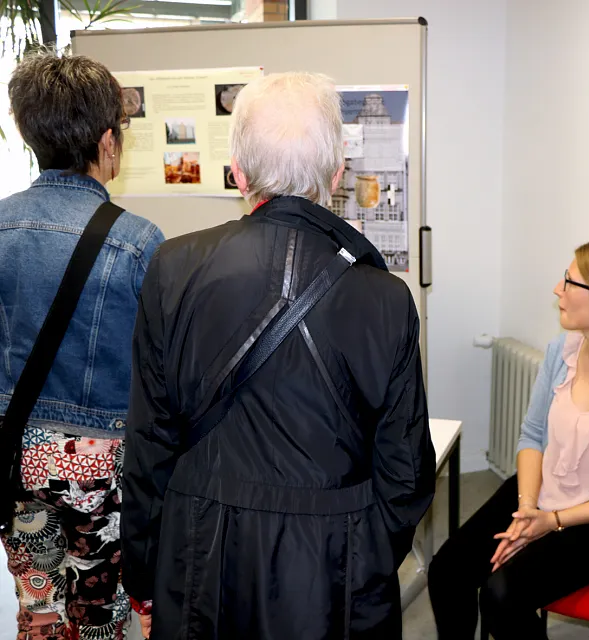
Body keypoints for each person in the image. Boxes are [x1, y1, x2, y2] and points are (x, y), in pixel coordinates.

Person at [121, 71, 435, 640]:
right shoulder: (386, 297)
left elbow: (149, 439)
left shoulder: (173, 268)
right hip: (335, 564)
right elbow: (406, 471)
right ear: (338, 174)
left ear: (237, 172)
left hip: (200, 551)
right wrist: (362, 550)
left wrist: (146, 565)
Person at [428, 241, 589, 640]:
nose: (556, 290)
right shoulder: (559, 352)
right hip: (540, 495)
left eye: (569, 281)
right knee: (448, 571)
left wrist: (552, 522)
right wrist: (529, 508)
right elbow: (532, 436)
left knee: (500, 595)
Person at [0, 52, 165, 640]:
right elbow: (159, 370)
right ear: (107, 142)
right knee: (103, 618)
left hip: (15, 455)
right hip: (101, 468)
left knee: (39, 610)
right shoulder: (139, 241)